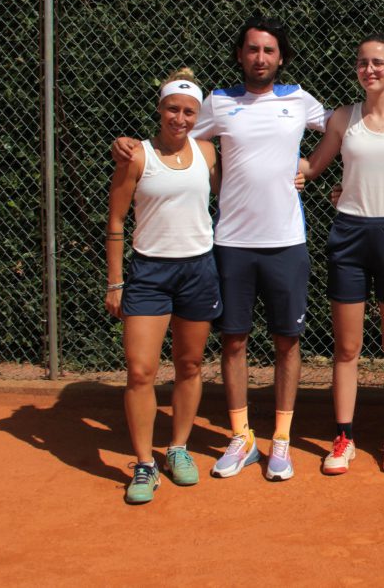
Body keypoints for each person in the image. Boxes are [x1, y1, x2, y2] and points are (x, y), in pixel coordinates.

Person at [113, 16, 328, 482]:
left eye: (269, 50)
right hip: (229, 243)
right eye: (252, 49)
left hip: (288, 242)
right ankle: (242, 436)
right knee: (233, 340)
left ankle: (282, 441)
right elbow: (178, 137)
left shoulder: (300, 100)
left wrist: (311, 165)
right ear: (240, 55)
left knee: (287, 343)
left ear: (281, 57)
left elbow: (345, 129)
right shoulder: (217, 103)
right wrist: (131, 145)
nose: (260, 58)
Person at [299, 35, 384, 475]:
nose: (369, 69)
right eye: (362, 63)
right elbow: (313, 167)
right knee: (347, 347)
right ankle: (344, 437)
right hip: (349, 235)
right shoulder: (342, 118)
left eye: (378, 63)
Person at [106, 68, 219, 504]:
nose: (180, 118)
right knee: (140, 371)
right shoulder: (136, 156)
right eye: (173, 108)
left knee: (189, 366)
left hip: (198, 270)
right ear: (159, 109)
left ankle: (178, 449)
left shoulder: (208, 152)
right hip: (149, 274)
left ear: (198, 116)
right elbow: (116, 220)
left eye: (189, 111)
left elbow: (234, 192)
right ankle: (144, 464)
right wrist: (116, 281)